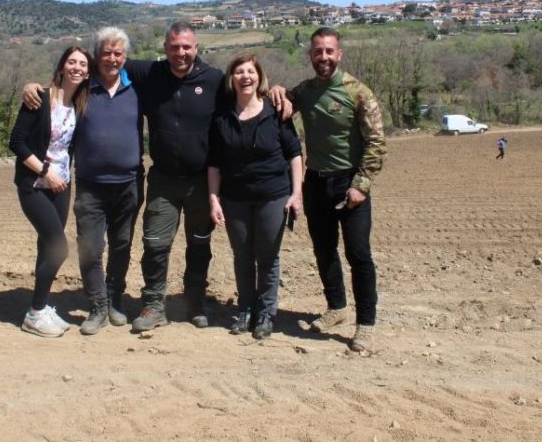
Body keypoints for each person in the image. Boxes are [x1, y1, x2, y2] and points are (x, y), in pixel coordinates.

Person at [270, 27, 386, 353]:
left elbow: (376, 142)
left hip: (349, 182)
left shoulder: (358, 92)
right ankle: (337, 307)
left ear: (340, 54)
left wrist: (361, 185)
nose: (324, 57)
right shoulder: (305, 91)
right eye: (318, 51)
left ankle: (366, 323)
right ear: (310, 55)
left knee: (358, 254)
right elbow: (282, 104)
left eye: (329, 51)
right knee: (324, 251)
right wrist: (277, 90)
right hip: (316, 182)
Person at [22, 28, 145, 335]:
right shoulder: (83, 89)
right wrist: (31, 87)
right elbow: (54, 93)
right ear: (96, 56)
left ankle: (115, 299)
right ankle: (97, 306)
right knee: (90, 248)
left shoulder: (139, 86)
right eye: (106, 53)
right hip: (90, 185)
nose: (112, 58)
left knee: (121, 245)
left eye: (118, 53)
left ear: (125, 57)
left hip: (129, 183)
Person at [124, 23, 228, 331]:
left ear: (196, 48)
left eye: (186, 47)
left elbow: (250, 90)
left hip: (201, 181)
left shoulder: (214, 80)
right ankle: (154, 305)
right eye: (174, 47)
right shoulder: (150, 74)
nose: (180, 53)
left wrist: (278, 93)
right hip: (164, 180)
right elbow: (106, 60)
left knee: (199, 244)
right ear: (165, 47)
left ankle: (195, 302)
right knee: (155, 243)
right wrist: (46, 86)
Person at [208, 53, 303, 340]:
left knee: (268, 257)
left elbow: (294, 154)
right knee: (242, 257)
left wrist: (296, 193)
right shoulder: (222, 117)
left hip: (273, 195)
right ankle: (245, 310)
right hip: (235, 198)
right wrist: (214, 199)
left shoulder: (275, 112)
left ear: (259, 77)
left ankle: (265, 313)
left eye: (250, 71)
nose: (245, 76)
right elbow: (214, 162)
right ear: (231, 78)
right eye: (239, 72)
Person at [8, 46, 91, 338]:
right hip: (35, 186)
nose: (77, 67)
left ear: (87, 72)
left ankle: (40, 309)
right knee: (59, 247)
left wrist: (59, 178)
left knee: (46, 247)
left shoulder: (79, 105)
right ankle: (34, 313)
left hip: (61, 187)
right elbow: (17, 143)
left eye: (82, 63)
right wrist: (45, 172)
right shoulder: (39, 97)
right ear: (62, 66)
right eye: (72, 62)